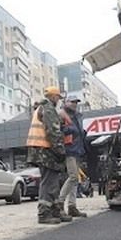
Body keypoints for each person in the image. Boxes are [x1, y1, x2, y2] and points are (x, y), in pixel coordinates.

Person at [27, 87, 70, 224]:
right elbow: (53, 131)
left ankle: (55, 210)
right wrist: (60, 150)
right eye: (58, 97)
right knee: (48, 182)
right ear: (53, 96)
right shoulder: (49, 109)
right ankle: (44, 213)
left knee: (53, 182)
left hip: (43, 150)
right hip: (45, 151)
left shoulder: (42, 108)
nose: (59, 100)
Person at [57, 96, 88, 219]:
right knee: (73, 177)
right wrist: (70, 129)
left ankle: (72, 206)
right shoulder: (61, 114)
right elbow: (58, 130)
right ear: (65, 102)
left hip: (77, 150)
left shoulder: (77, 116)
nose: (74, 104)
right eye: (72, 102)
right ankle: (59, 203)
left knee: (76, 180)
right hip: (69, 150)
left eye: (76, 102)